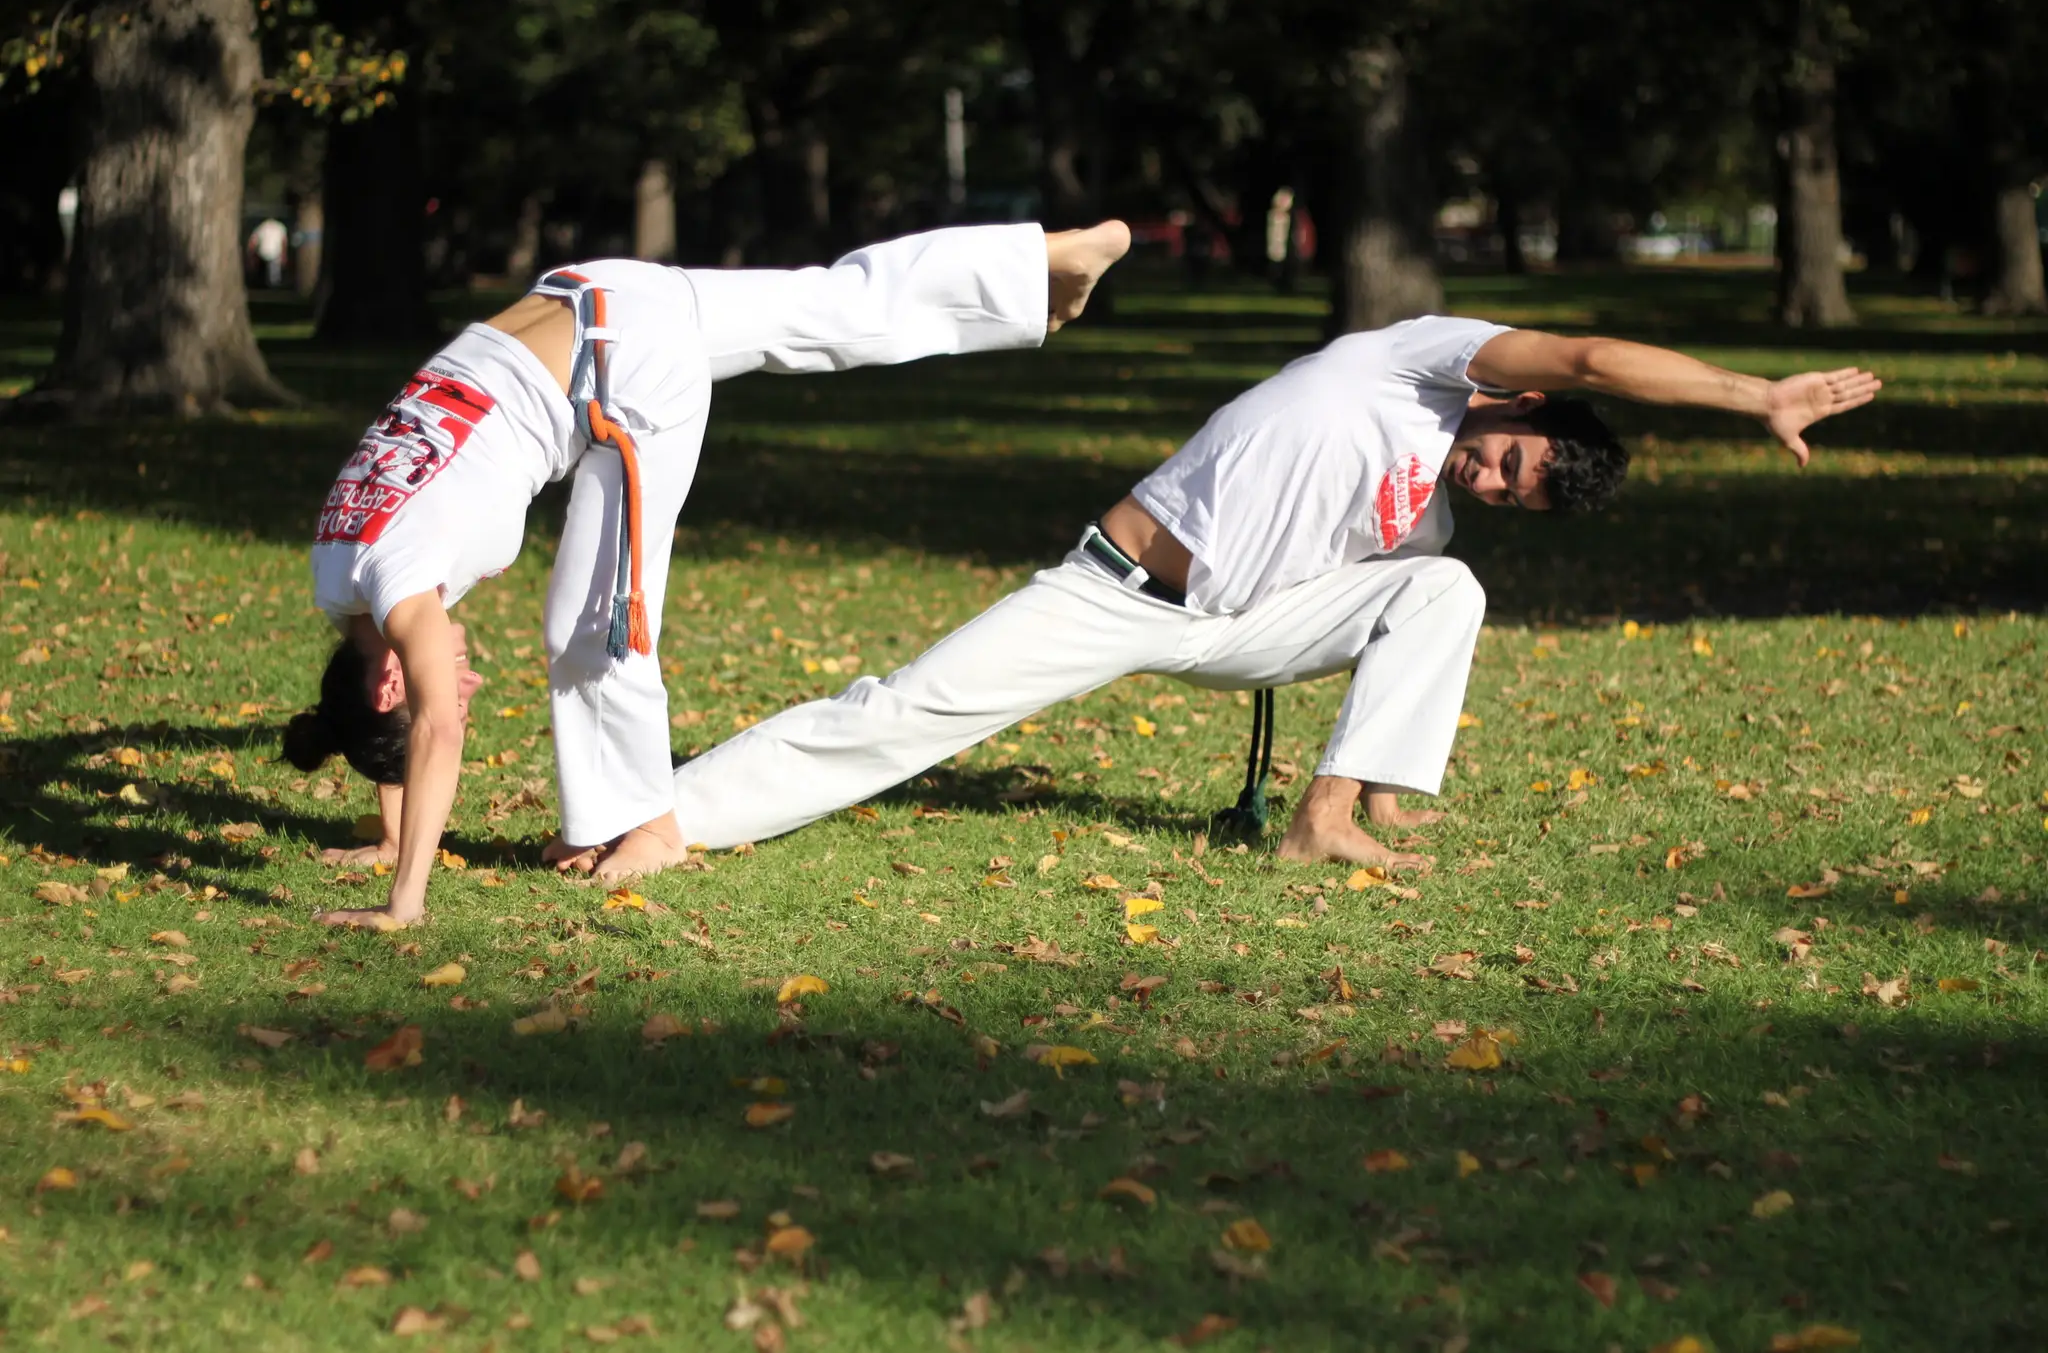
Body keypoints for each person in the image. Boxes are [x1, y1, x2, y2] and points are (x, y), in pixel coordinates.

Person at [646, 318, 1881, 870]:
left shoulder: (1435, 514)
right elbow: (1597, 358)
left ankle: (1339, 813)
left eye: (1519, 498)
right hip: (1116, 588)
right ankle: (658, 821)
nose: (1495, 483)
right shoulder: (1418, 362)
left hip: (1237, 627)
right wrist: (1750, 396)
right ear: (1514, 403)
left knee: (1441, 586)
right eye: (1511, 462)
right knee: (905, 710)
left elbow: (1371, 601)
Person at [283, 221, 1135, 928]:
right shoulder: (340, 566)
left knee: (595, 621)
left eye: (455, 686)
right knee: (828, 305)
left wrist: (405, 900)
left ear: (392, 676)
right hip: (590, 291)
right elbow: (400, 718)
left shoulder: (400, 594)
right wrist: (395, 834)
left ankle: (645, 823)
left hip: (625, 367)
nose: (467, 685)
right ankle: (1038, 264)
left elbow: (429, 729)